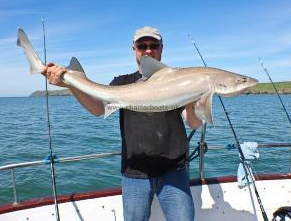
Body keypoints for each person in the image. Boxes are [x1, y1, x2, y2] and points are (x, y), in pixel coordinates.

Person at [43, 26, 202, 221]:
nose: (148, 50)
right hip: (134, 172)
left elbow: (194, 124)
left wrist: (192, 101)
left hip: (174, 171)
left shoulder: (181, 82)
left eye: (154, 45)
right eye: (142, 45)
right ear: (134, 49)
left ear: (162, 48)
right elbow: (98, 109)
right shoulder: (121, 82)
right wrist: (70, 84)